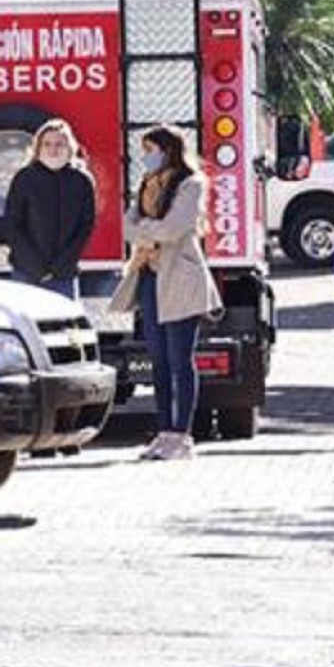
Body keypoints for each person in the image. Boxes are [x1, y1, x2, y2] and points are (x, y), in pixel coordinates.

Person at [111, 126, 222, 461]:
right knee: (157, 359)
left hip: (180, 277)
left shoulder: (191, 183)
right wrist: (149, 234)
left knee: (179, 359)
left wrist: (146, 233)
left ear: (168, 149)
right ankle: (163, 431)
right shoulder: (145, 184)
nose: (146, 156)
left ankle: (182, 434)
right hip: (148, 276)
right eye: (144, 150)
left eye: (151, 149)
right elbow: (127, 225)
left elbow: (176, 228)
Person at [4, 120, 97, 299]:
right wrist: (35, 267)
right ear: (38, 146)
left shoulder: (81, 181)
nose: (53, 149)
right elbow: (12, 224)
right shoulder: (25, 178)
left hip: (63, 274)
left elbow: (86, 226)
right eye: (47, 144)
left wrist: (61, 265)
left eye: (59, 144)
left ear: (69, 146)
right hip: (27, 272)